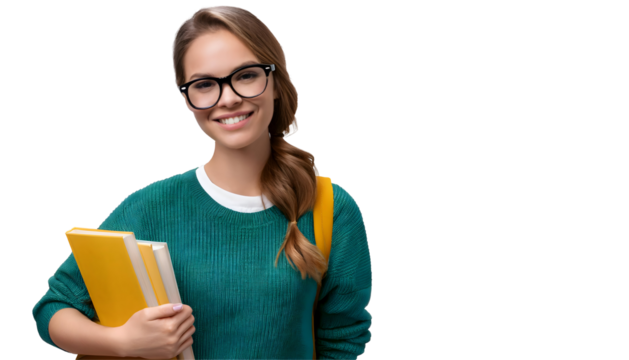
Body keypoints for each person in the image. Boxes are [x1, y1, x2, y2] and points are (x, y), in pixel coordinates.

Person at [30, 5, 373, 359]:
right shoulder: (148, 207)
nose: (228, 99)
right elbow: (53, 309)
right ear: (186, 100)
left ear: (275, 82)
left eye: (246, 75)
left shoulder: (332, 209)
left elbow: (343, 340)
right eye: (205, 84)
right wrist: (124, 342)